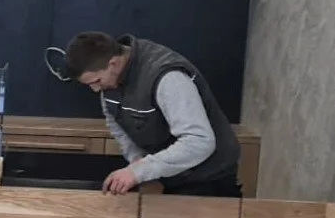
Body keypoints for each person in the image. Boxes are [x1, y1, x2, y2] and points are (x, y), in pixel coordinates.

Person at [64, 31, 242, 197]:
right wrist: (137, 161)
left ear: (113, 64)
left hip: (208, 177)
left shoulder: (167, 78)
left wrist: (139, 171)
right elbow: (117, 125)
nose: (95, 89)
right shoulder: (111, 79)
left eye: (96, 81)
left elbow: (199, 141)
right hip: (171, 175)